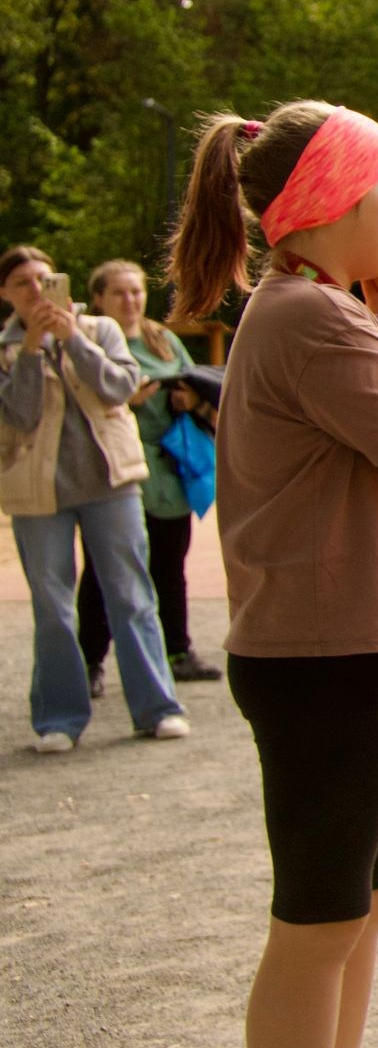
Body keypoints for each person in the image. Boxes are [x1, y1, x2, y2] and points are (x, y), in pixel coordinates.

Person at [163, 101, 378, 1048]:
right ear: (334, 200)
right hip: (320, 653)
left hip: (354, 642)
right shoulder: (310, 317)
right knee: (317, 912)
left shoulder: (320, 310)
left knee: (364, 895)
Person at [1, 247, 190, 752]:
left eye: (44, 279)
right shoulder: (6, 348)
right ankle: (59, 719)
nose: (35, 292)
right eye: (22, 284)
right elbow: (17, 416)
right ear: (6, 295)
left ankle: (158, 708)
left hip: (112, 484)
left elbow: (120, 387)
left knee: (130, 595)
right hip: (38, 492)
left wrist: (71, 341)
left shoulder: (100, 331)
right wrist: (33, 349)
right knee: (53, 607)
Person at [74, 258, 222, 685]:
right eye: (119, 292)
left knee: (169, 565)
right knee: (106, 568)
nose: (130, 300)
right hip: (115, 471)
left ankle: (178, 651)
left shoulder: (162, 340)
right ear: (98, 298)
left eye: (136, 290)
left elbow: (195, 390)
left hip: (168, 469)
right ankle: (90, 662)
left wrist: (188, 403)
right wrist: (123, 401)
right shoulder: (90, 342)